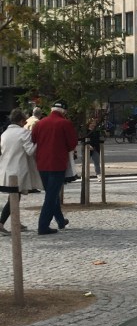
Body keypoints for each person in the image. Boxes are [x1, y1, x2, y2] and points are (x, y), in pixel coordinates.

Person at [30, 100, 78, 235]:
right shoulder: (65, 123)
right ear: (64, 111)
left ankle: (60, 220)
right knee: (51, 196)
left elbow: (33, 140)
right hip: (57, 163)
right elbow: (72, 143)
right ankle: (43, 226)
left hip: (42, 164)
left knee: (51, 193)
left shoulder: (40, 123)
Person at [0, 109, 41, 234]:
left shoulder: (5, 133)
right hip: (18, 169)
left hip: (5, 168)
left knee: (14, 197)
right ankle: (1, 223)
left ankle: (15, 222)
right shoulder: (23, 133)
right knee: (15, 197)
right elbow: (30, 151)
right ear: (22, 121)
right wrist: (38, 142)